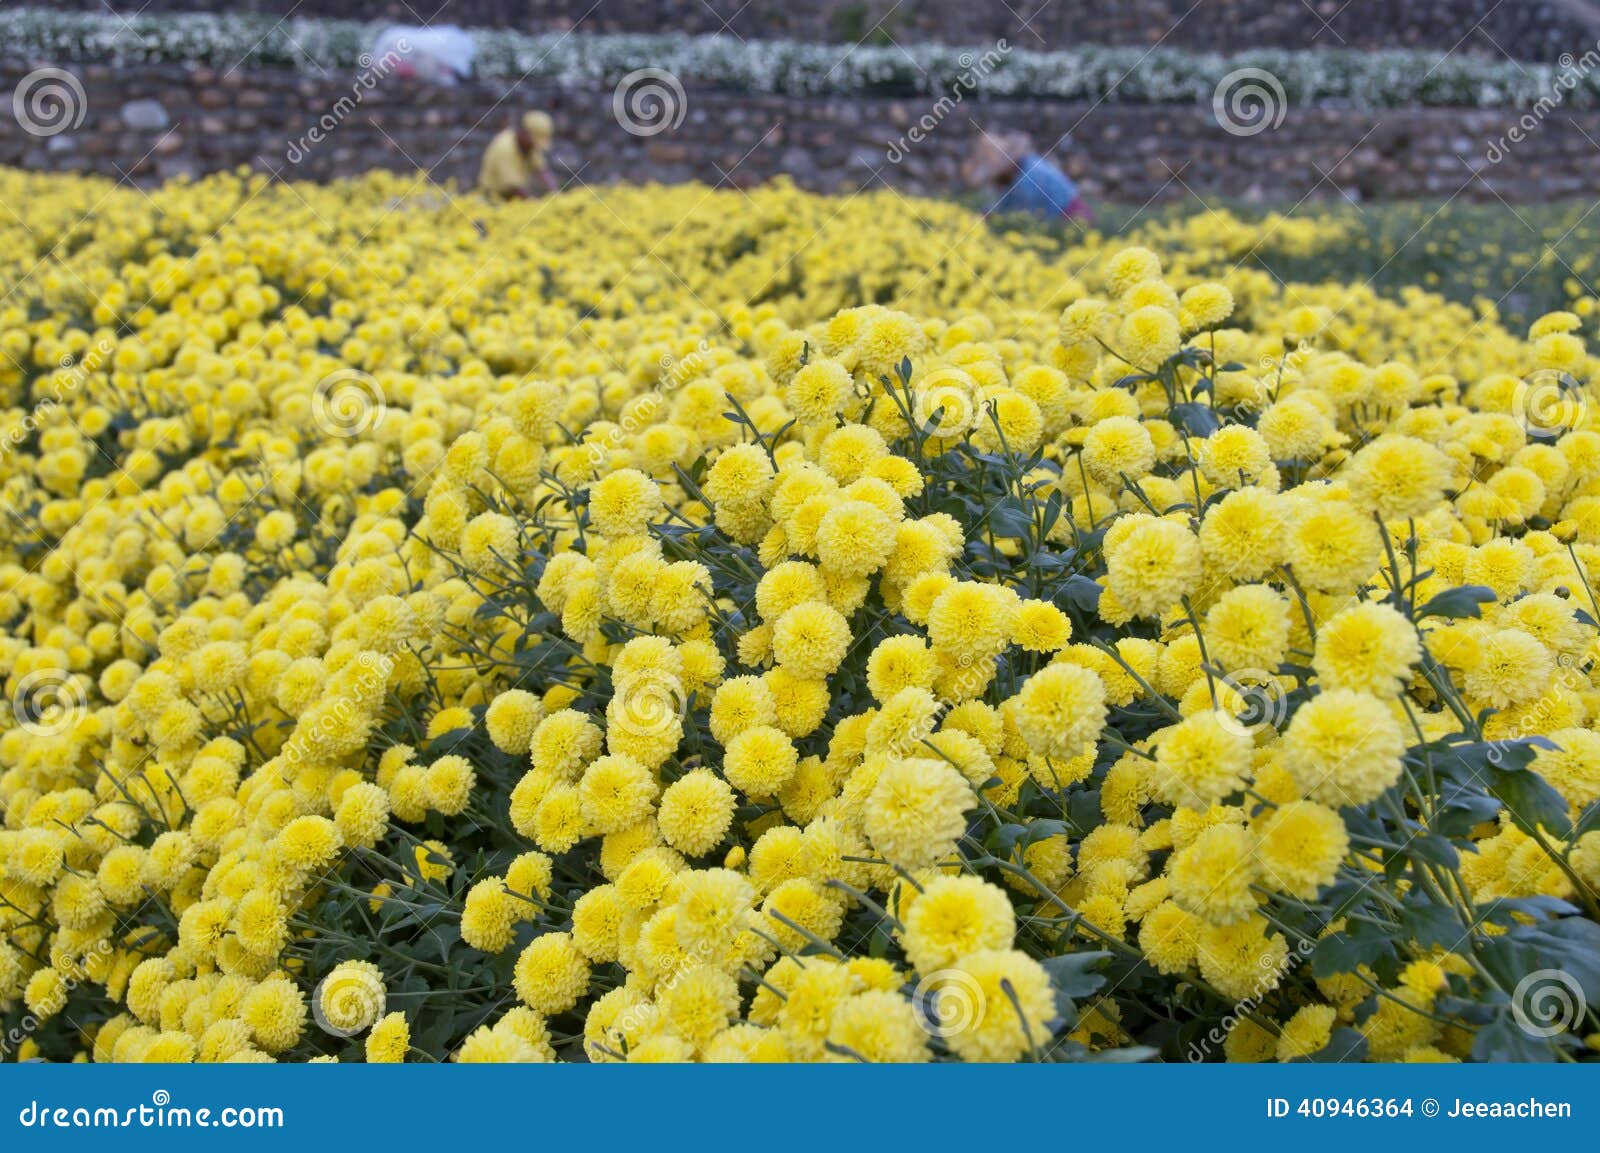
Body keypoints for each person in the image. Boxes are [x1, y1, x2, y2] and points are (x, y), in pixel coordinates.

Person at [963, 130, 1092, 223]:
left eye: (996, 177)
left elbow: (1022, 217)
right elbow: (1005, 202)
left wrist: (985, 217)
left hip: (1073, 219)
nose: (996, 183)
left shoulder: (1028, 178)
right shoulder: (1027, 162)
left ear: (1006, 169)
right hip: (1071, 215)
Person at [478, 111, 557, 199]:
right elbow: (514, 188)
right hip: (492, 198)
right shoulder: (504, 147)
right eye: (534, 141)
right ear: (524, 132)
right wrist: (535, 204)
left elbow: (542, 170)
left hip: (513, 198)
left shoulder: (528, 147)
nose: (535, 146)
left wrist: (555, 193)